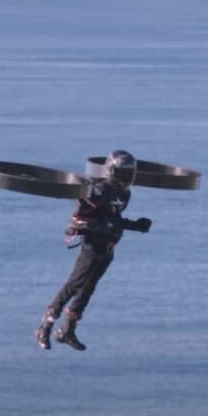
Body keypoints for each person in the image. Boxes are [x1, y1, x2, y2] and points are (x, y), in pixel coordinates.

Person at [35, 150, 152, 351]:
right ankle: (44, 327)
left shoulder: (125, 194)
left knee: (88, 289)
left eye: (129, 174)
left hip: (107, 248)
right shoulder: (98, 192)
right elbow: (79, 218)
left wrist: (136, 225)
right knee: (74, 285)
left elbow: (114, 219)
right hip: (92, 247)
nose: (126, 179)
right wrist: (88, 226)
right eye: (123, 174)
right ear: (111, 172)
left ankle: (67, 331)